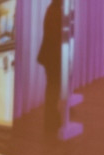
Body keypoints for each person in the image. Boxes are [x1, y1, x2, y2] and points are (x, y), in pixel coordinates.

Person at [37, 0, 63, 135]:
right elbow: (55, 36)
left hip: (51, 57)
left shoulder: (53, 9)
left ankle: (52, 120)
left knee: (53, 89)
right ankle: (51, 122)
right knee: (53, 89)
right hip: (53, 58)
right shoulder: (55, 11)